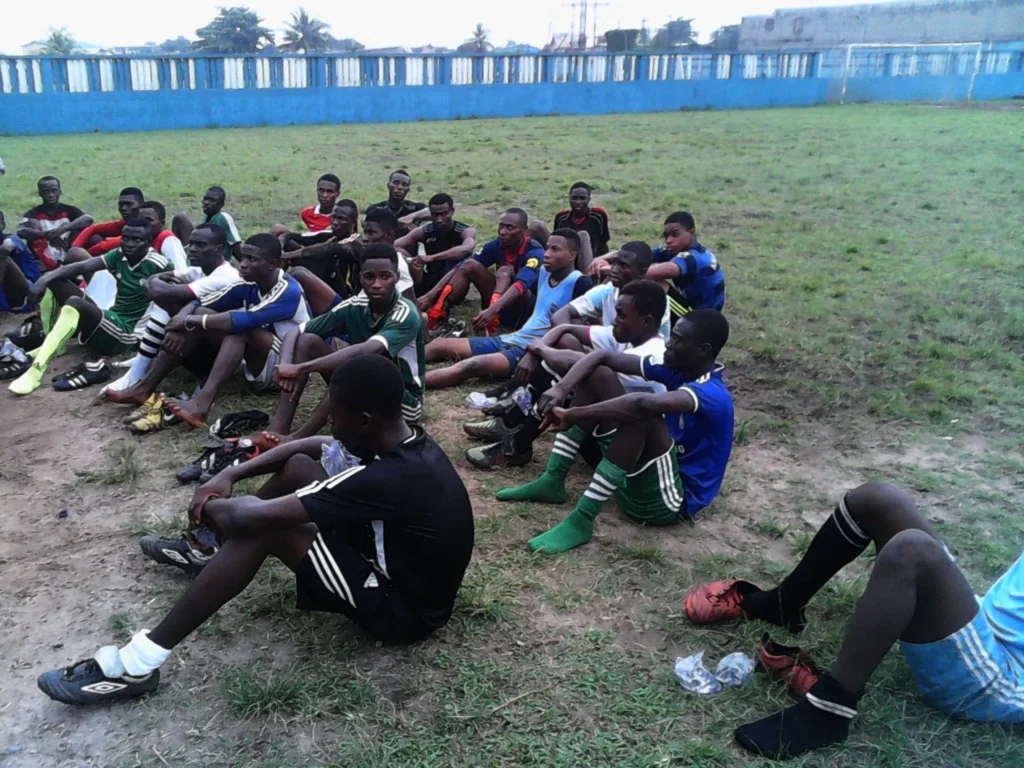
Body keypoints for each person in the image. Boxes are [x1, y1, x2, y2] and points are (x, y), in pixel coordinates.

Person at [37, 355, 475, 706]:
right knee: (302, 468)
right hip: (400, 564)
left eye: (335, 418)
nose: (332, 426)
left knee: (264, 531)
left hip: (403, 611)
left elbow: (246, 519)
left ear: (364, 420)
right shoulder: (403, 439)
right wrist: (230, 474)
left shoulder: (387, 478)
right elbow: (311, 447)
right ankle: (212, 555)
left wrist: (211, 504)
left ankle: (140, 663)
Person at [684, 482, 1024, 759]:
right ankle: (784, 603)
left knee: (910, 552)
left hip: (1001, 677)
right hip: (982, 620)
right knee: (877, 499)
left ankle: (831, 708)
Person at [497, 309, 734, 554]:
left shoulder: (713, 393)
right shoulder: (678, 370)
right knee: (597, 375)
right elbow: (601, 357)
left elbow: (641, 405)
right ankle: (552, 480)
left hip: (669, 502)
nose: (668, 344)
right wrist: (560, 386)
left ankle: (582, 520)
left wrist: (574, 414)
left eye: (676, 339)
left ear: (702, 350)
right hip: (637, 481)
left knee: (644, 413)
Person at [103, 234, 310, 427]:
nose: (243, 264)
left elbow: (245, 320)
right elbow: (201, 301)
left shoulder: (287, 290)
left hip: (284, 366)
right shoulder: (248, 283)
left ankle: (201, 405)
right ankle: (143, 389)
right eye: (243, 258)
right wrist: (182, 321)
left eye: (252, 260)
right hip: (259, 358)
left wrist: (188, 321)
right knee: (203, 315)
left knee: (239, 329)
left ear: (273, 264)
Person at [464, 280, 670, 469]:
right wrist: (537, 350)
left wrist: (540, 351)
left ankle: (515, 445)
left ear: (646, 322)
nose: (615, 321)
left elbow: (588, 367)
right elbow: (565, 328)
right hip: (604, 428)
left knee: (579, 375)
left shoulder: (650, 355)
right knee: (565, 365)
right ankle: (511, 428)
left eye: (622, 316)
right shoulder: (626, 336)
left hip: (624, 455)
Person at [263, 243, 426, 442]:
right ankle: (279, 426)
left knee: (359, 368)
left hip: (403, 404)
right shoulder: (354, 306)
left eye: (385, 276)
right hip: (365, 386)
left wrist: (301, 368)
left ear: (397, 279)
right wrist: (286, 364)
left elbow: (368, 350)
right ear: (360, 277)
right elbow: (296, 331)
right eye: (369, 277)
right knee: (307, 341)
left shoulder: (405, 314)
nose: (376, 284)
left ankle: (297, 438)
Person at [8, 219, 171, 395]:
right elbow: (82, 266)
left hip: (127, 335)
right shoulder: (119, 255)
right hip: (111, 319)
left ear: (148, 241)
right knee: (55, 280)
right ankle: (53, 343)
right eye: (125, 238)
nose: (129, 244)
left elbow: (175, 297)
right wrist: (44, 279)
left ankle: (37, 369)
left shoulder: (159, 265)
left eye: (136, 240)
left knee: (75, 303)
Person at [424, 230, 591, 390]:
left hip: (531, 350)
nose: (547, 253)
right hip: (513, 338)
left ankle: (408, 385)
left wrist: (538, 353)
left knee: (470, 366)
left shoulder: (579, 283)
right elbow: (519, 282)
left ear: (572, 256)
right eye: (547, 247)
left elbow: (577, 334)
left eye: (555, 249)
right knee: (438, 345)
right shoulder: (543, 272)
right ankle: (399, 365)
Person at [103, 225, 239, 405]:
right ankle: (140, 378)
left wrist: (162, 288)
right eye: (191, 244)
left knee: (180, 311)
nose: (192, 249)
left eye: (200, 245)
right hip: (204, 337)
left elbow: (158, 290)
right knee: (175, 309)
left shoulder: (224, 276)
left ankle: (140, 378)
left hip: (229, 350)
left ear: (219, 249)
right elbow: (154, 282)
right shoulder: (197, 271)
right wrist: (160, 286)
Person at [416, 208, 545, 336]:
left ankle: (492, 318)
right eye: (501, 226)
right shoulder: (497, 244)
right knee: (469, 265)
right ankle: (437, 315)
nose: (503, 232)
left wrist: (492, 310)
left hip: (525, 311)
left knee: (505, 271)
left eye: (510, 228)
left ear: (524, 230)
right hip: (499, 307)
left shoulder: (535, 251)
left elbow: (521, 285)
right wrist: (430, 295)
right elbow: (461, 267)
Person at [643, 211, 725, 323]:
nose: (669, 240)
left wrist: (625, 270)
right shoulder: (673, 249)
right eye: (666, 236)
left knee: (653, 282)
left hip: (699, 321)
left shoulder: (696, 258)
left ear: (691, 233)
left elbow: (667, 270)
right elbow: (639, 254)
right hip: (694, 308)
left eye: (675, 234)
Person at [395, 193, 476, 300]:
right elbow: (396, 245)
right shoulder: (425, 231)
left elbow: (467, 248)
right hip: (431, 279)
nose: (439, 219)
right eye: (435, 215)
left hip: (454, 281)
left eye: (444, 214)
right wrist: (410, 262)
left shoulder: (465, 230)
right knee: (397, 252)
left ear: (452, 211)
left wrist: (433, 257)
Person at [280, 199, 360, 292]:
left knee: (299, 273)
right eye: (333, 217)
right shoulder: (330, 235)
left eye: (341, 219)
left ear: (353, 222)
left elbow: (325, 248)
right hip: (327, 284)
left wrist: (285, 256)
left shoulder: (356, 242)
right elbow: (288, 235)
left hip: (344, 295)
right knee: (289, 244)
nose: (335, 222)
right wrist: (280, 248)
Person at [84, 201, 188, 272]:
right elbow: (104, 246)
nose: (144, 224)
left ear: (162, 223)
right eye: (141, 220)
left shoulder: (166, 238)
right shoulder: (134, 241)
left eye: (149, 220)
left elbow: (181, 272)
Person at [16, 176, 92, 270]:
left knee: (87, 231)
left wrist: (63, 229)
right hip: (44, 255)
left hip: (68, 249)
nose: (51, 195)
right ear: (40, 194)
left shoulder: (68, 210)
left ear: (60, 192)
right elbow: (20, 231)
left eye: (54, 191)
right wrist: (46, 235)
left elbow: (88, 219)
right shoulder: (34, 213)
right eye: (46, 192)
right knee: (33, 225)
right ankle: (46, 265)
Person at [172, 186, 243, 261]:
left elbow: (236, 247)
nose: (206, 202)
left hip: (213, 265)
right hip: (199, 258)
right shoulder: (205, 218)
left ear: (221, 204)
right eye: (205, 199)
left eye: (212, 200)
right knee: (179, 219)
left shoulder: (223, 218)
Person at [70, 187, 145, 256]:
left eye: (129, 204)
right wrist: (75, 246)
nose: (123, 208)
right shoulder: (126, 222)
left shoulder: (147, 225)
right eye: (120, 205)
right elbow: (93, 228)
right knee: (94, 237)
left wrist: (80, 256)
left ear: (142, 205)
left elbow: (103, 247)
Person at [553, 181, 611, 265]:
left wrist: (605, 262)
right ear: (569, 198)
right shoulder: (562, 218)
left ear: (589, 199)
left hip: (591, 261)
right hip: (568, 261)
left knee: (583, 235)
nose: (578, 202)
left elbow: (603, 243)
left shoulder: (598, 216)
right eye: (574, 198)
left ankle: (587, 276)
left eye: (582, 198)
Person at [365, 169, 428, 237]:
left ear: (408, 189)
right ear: (388, 185)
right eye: (395, 183)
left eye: (404, 184)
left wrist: (411, 217)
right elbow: (365, 224)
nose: (400, 187)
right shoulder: (376, 208)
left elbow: (430, 210)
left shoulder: (415, 207)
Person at [0, 210, 40, 314]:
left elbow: (7, 248)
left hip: (26, 293)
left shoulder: (11, 239)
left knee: (3, 256)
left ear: (2, 225)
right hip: (4, 297)